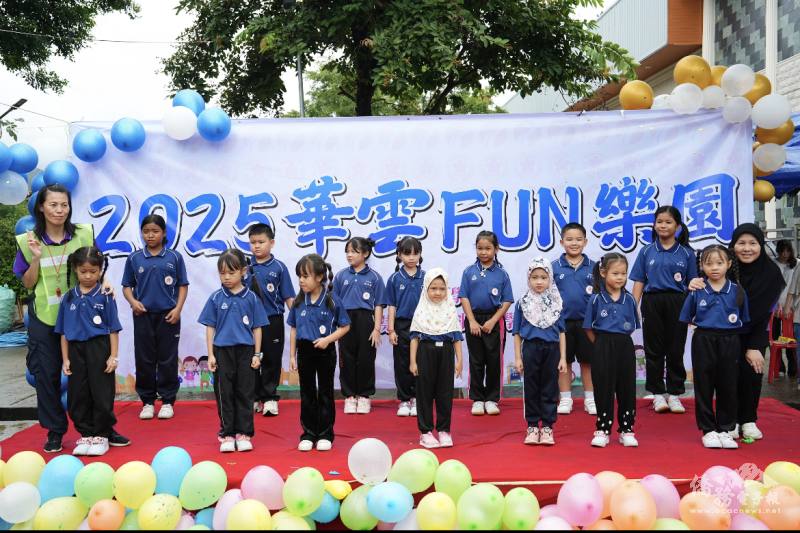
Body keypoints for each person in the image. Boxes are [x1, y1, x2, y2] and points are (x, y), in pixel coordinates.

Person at [14, 184, 129, 453]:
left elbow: (97, 264)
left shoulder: (83, 233)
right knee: (46, 377)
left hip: (83, 322)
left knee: (95, 376)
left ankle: (104, 428)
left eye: (64, 205)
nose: (59, 210)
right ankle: (55, 431)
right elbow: (28, 284)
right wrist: (35, 259)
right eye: (53, 204)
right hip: (45, 318)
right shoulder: (29, 240)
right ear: (41, 207)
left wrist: (107, 281)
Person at [690, 223, 785, 441]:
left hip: (755, 332)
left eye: (753, 243)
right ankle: (729, 421)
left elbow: (764, 316)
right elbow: (704, 287)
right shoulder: (724, 267)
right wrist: (694, 282)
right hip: (724, 335)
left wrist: (754, 347)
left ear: (761, 246)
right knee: (727, 378)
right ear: (733, 247)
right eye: (741, 243)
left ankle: (748, 419)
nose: (747, 248)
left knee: (751, 371)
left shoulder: (771, 274)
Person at [679, 244, 749, 449]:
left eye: (719, 263)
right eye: (709, 263)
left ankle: (726, 429)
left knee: (728, 385)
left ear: (728, 264)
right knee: (704, 384)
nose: (715, 268)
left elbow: (744, 320)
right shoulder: (697, 290)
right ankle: (708, 430)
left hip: (730, 340)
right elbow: (686, 317)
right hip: (703, 339)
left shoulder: (737, 291)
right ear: (701, 266)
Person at [198, 249, 268, 453]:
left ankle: (244, 433)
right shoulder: (215, 298)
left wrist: (257, 354)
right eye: (222, 273)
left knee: (245, 392)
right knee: (224, 393)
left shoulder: (252, 298)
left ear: (243, 271)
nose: (227, 277)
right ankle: (227, 433)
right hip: (222, 352)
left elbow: (257, 327)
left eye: (231, 272)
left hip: (246, 352)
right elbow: (210, 327)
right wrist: (210, 354)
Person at [56, 247, 122, 457]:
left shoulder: (105, 295)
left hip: (99, 348)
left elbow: (113, 328)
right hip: (76, 351)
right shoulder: (68, 298)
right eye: (83, 271)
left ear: (100, 271)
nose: (88, 276)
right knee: (78, 394)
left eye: (93, 271)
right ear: (75, 269)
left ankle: (101, 435)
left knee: (101, 393)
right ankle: (85, 433)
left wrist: (113, 355)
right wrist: (65, 359)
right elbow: (63, 333)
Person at [630, 206, 697, 415]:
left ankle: (675, 394)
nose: (663, 225)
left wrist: (694, 312)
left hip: (679, 302)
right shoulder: (647, 251)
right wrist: (633, 307)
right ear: (654, 224)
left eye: (668, 222)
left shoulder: (687, 253)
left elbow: (693, 284)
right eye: (659, 221)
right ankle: (658, 394)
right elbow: (639, 281)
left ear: (677, 226)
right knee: (654, 349)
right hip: (652, 302)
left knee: (676, 349)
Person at [122, 214, 189, 421]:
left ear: (164, 233)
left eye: (155, 231)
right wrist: (133, 302)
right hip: (143, 316)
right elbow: (126, 287)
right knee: (144, 359)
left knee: (168, 358)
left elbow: (183, 286)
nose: (150, 235)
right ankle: (148, 402)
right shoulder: (134, 258)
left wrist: (177, 309)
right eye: (146, 231)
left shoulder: (174, 257)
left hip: (168, 316)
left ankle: (168, 400)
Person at [288, 254, 351, 452]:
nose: (301, 280)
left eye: (305, 276)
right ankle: (308, 433)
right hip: (304, 351)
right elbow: (293, 329)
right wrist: (291, 355)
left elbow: (345, 326)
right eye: (299, 276)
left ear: (319, 277)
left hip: (325, 351)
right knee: (307, 393)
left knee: (325, 392)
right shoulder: (298, 302)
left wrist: (327, 340)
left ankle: (325, 433)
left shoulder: (332, 300)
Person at [584, 252, 640, 448]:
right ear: (603, 272)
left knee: (626, 389)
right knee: (603, 388)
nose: (620, 278)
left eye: (623, 274)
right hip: (602, 345)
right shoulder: (596, 299)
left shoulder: (630, 299)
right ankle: (603, 429)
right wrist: (600, 344)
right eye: (615, 273)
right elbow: (588, 328)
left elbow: (633, 325)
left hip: (624, 346)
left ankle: (627, 429)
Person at [513, 259, 568, 446]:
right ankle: (532, 426)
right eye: (534, 277)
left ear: (550, 279)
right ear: (528, 279)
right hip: (530, 348)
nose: (539, 281)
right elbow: (517, 333)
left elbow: (561, 332)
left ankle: (547, 427)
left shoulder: (556, 303)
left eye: (543, 277)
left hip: (552, 349)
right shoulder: (522, 303)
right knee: (531, 387)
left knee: (549, 388)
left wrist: (562, 357)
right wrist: (518, 358)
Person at [459, 231, 514, 416]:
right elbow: (464, 297)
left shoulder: (502, 274)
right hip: (473, 320)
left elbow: (507, 300)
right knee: (476, 360)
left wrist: (493, 320)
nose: (483, 252)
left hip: (494, 321)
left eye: (488, 248)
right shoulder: (468, 271)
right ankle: (477, 399)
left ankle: (491, 399)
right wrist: (472, 321)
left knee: (493, 360)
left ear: (496, 249)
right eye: (480, 248)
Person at [410, 268, 463, 449]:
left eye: (442, 289)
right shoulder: (421, 311)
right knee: (424, 393)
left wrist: (460, 361)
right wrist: (412, 361)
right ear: (426, 288)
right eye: (433, 288)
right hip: (425, 352)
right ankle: (425, 432)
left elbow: (456, 337)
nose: (438, 293)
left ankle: (444, 430)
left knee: (445, 393)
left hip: (446, 353)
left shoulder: (450, 310)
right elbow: (414, 338)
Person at [333, 237, 386, 415]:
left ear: (365, 254)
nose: (350, 255)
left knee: (366, 358)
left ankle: (364, 396)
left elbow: (378, 304)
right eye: (347, 251)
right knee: (346, 359)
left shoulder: (375, 277)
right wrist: (337, 326)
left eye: (354, 251)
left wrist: (377, 328)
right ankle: (349, 396)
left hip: (366, 320)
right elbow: (335, 303)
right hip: (345, 320)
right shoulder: (341, 275)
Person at [247, 223, 296, 417]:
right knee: (250, 360)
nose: (256, 246)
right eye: (252, 242)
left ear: (272, 242)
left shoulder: (279, 267)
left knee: (272, 360)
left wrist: (299, 318)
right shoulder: (244, 267)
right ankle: (253, 397)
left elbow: (289, 297)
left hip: (273, 319)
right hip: (248, 323)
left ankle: (269, 398)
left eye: (261, 242)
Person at [551, 223, 596, 415]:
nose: (574, 243)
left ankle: (591, 399)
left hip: (588, 324)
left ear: (585, 242)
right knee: (564, 362)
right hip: (562, 324)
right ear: (562, 242)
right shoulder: (553, 267)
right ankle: (566, 398)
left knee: (588, 362)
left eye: (578, 239)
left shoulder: (595, 268)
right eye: (569, 239)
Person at [386, 237, 424, 417]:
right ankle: (403, 400)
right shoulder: (394, 279)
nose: (411, 257)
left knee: (420, 363)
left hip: (422, 326)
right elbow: (391, 306)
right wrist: (391, 329)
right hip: (401, 326)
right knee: (401, 363)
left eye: (415, 253)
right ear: (399, 255)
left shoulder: (426, 277)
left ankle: (418, 398)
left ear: (420, 255)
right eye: (407, 253)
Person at [772, 240, 796, 377]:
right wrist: (775, 305)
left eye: (788, 251)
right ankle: (779, 367)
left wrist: (790, 305)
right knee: (775, 337)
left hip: (791, 307)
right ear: (778, 251)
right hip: (775, 306)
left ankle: (793, 368)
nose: (785, 254)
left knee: (790, 337)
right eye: (782, 251)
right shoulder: (772, 264)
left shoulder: (796, 264)